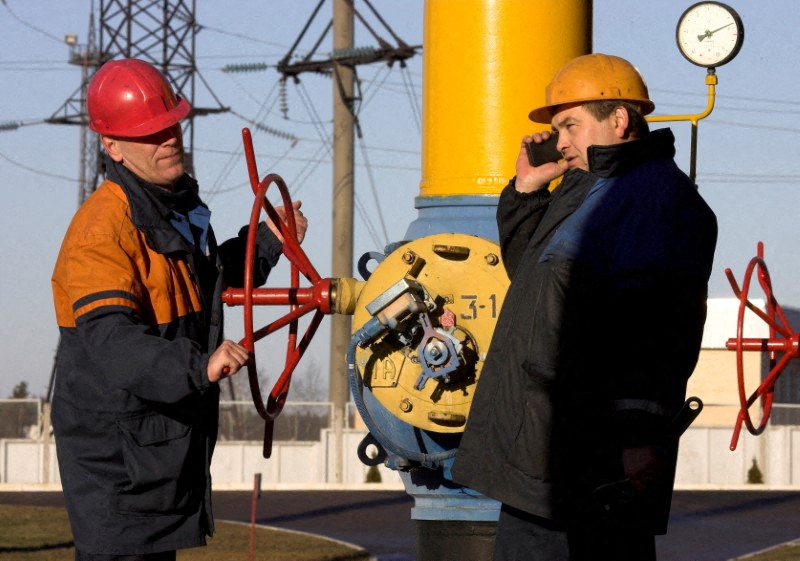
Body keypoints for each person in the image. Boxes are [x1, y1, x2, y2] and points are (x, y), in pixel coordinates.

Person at [451, 53, 718, 561]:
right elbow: (534, 280)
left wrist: (639, 435)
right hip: (541, 454)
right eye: (557, 130)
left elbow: (659, 328)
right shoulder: (585, 191)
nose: (562, 142)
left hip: (596, 463)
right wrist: (527, 193)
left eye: (570, 125)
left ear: (618, 119)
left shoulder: (659, 200)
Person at [50, 58, 307, 561]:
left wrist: (267, 242)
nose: (168, 139)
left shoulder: (172, 211)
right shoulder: (101, 231)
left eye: (171, 125)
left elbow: (207, 288)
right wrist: (200, 366)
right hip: (119, 468)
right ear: (112, 146)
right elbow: (113, 342)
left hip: (157, 455)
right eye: (149, 133)